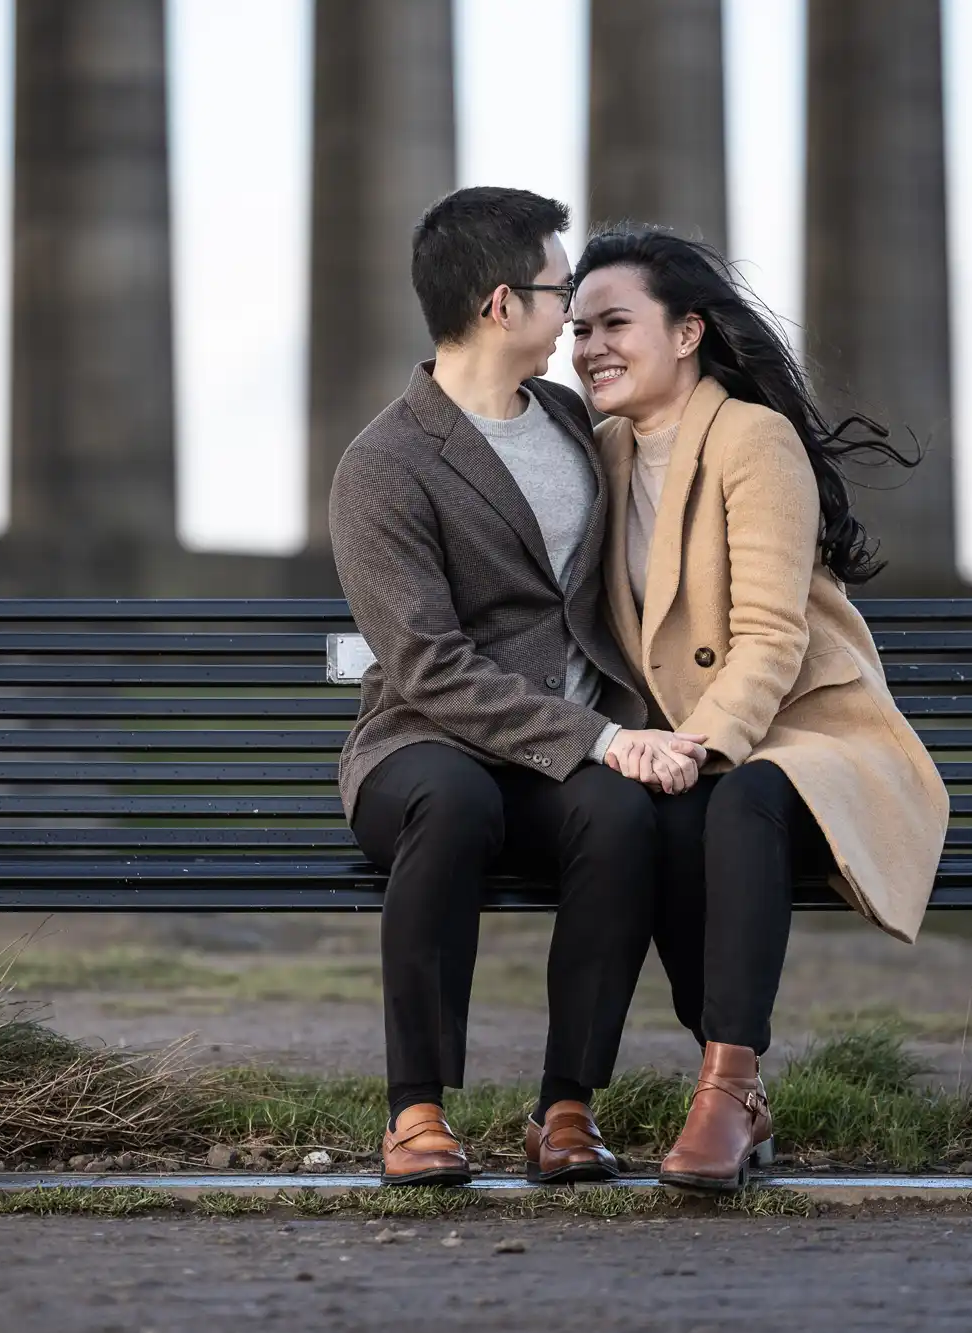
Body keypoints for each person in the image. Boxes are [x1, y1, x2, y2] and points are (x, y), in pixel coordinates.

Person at [328, 188, 709, 1187]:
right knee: (452, 808)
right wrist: (599, 737)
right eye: (560, 292)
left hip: (561, 758)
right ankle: (414, 1111)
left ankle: (566, 1108)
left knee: (620, 820)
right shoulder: (383, 464)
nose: (575, 317)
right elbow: (427, 664)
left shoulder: (571, 422)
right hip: (423, 745)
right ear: (503, 305)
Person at [568, 226, 949, 1190]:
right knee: (653, 815)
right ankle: (703, 1081)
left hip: (810, 734)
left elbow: (773, 636)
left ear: (688, 331)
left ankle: (730, 1086)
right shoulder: (601, 451)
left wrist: (694, 744)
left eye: (616, 322)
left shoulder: (751, 436)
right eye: (576, 328)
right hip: (699, 749)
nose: (590, 346)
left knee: (734, 800)